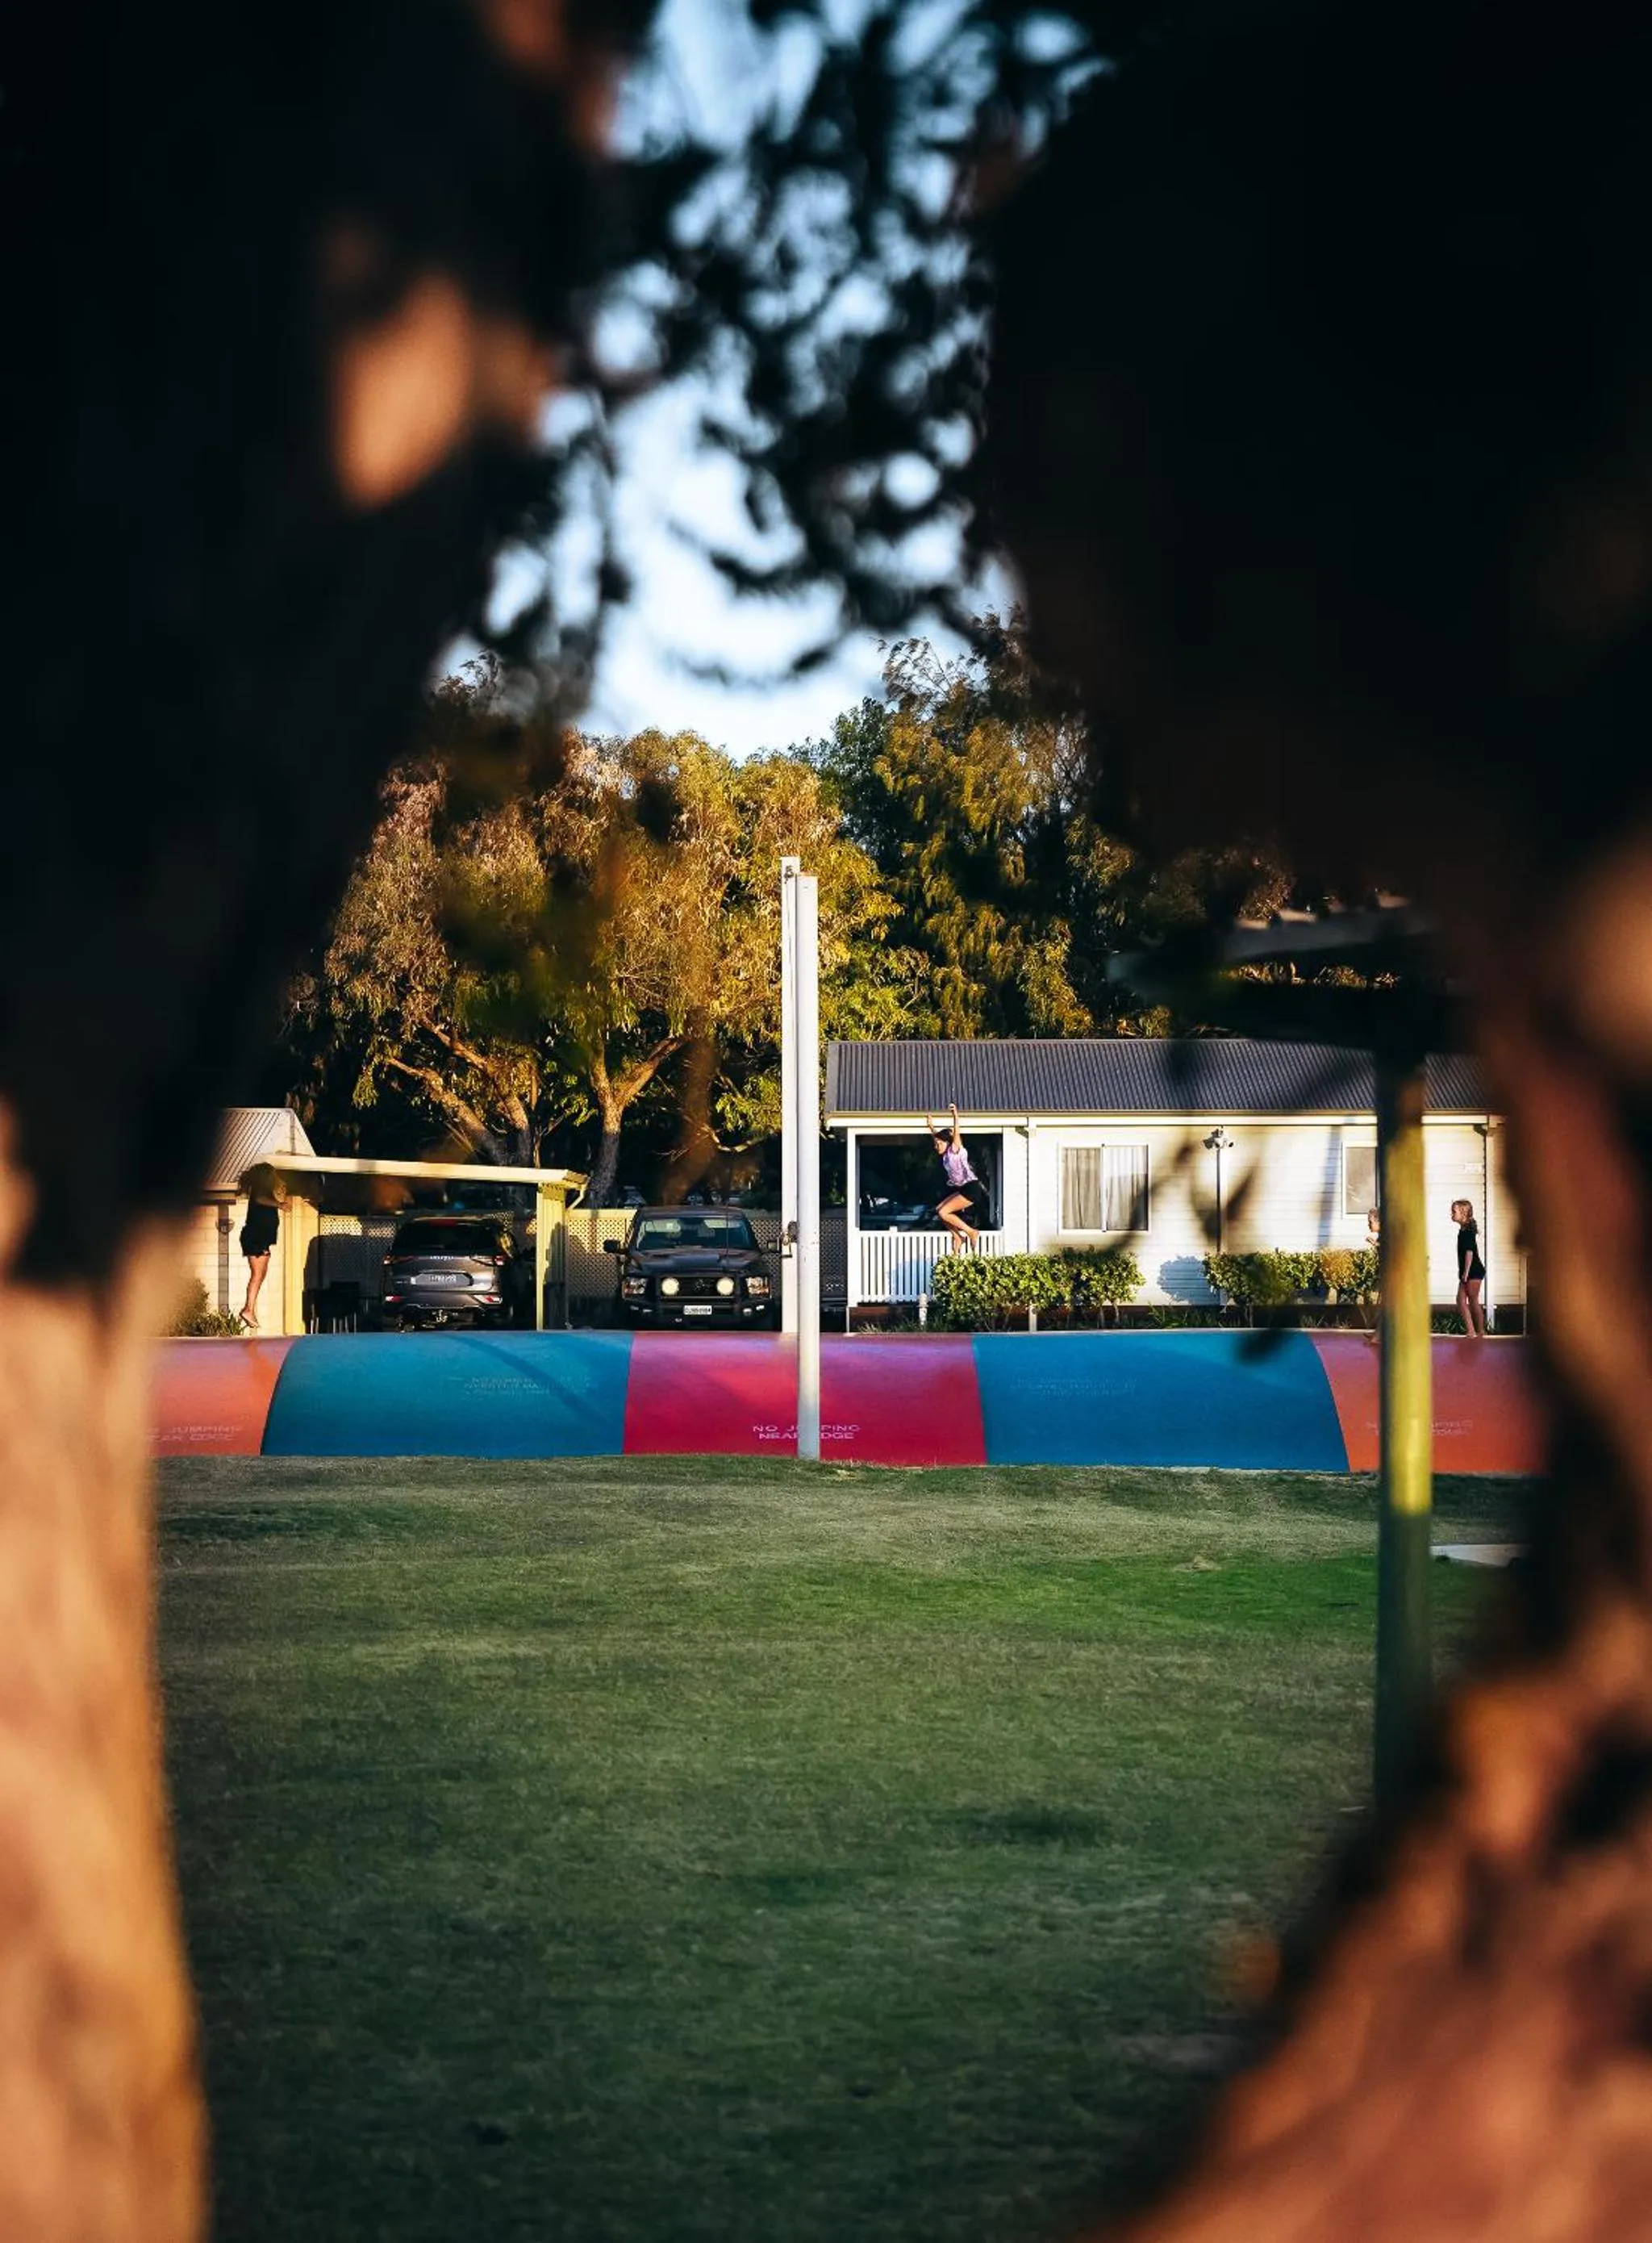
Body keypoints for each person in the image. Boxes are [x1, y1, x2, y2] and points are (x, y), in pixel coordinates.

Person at [927, 1103, 988, 1252]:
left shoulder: (955, 1150)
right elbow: (938, 1138)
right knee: (939, 1209)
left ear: (947, 1143)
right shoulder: (946, 1156)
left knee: (944, 1212)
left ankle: (971, 1232)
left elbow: (956, 1133)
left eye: (939, 1144)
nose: (936, 1147)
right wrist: (931, 1127)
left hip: (972, 1188)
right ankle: (958, 1237)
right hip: (963, 1189)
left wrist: (955, 1115)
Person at [237, 1164, 283, 1332]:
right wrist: (280, 1204)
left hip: (261, 1239)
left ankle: (250, 1309)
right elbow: (259, 1200)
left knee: (261, 1275)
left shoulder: (266, 1191)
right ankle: (248, 1309)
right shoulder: (260, 1191)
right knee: (257, 1275)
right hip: (256, 1238)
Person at [1452, 1197, 1487, 1339]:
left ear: (1463, 1213)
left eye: (1454, 1212)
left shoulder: (1467, 1232)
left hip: (1472, 1271)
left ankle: (1476, 1331)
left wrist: (1465, 1273)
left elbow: (1469, 1253)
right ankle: (1476, 1330)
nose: (1452, 1214)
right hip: (1472, 1271)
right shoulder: (1464, 1230)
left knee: (1468, 1300)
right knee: (1466, 1300)